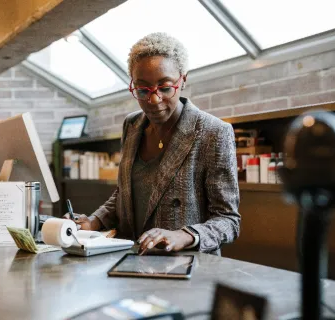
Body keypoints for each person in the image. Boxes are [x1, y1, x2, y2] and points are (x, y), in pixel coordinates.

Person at [65, 32, 240, 255]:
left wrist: (184, 235)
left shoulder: (213, 132)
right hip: (129, 261)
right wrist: (93, 222)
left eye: (165, 87)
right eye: (142, 89)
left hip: (184, 269)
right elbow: (124, 195)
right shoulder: (132, 125)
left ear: (182, 80)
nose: (154, 100)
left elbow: (228, 220)